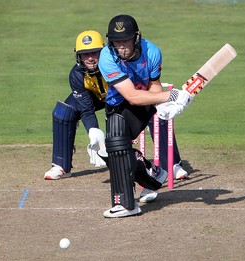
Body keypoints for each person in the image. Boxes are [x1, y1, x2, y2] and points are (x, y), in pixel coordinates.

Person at [98, 14, 193, 217]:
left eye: (126, 40)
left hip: (143, 103)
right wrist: (173, 95)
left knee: (116, 145)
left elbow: (154, 87)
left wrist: (165, 105)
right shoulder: (106, 57)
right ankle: (154, 175)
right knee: (113, 152)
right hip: (119, 103)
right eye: (117, 41)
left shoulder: (152, 53)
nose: (121, 46)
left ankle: (127, 205)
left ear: (136, 38)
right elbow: (131, 96)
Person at [44, 30, 108, 180]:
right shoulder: (76, 74)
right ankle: (61, 165)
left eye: (95, 53)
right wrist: (93, 132)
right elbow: (86, 109)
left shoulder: (113, 65)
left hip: (119, 96)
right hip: (96, 96)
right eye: (85, 54)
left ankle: (171, 163)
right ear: (78, 56)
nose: (91, 58)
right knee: (64, 113)